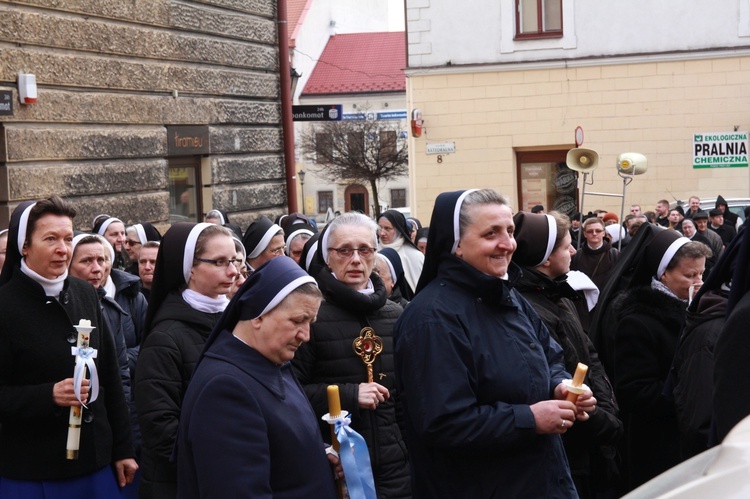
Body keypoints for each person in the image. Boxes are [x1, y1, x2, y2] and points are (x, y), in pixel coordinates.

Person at [393, 189, 595, 498]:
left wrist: (560, 385)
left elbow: (548, 355)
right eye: (492, 233)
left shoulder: (507, 294)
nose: (508, 244)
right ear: (456, 244)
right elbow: (443, 423)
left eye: (510, 231)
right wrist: (530, 419)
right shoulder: (431, 319)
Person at [0, 197, 136, 496]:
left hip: (94, 462)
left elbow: (111, 375)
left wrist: (124, 448)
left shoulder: (85, 293)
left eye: (68, 238)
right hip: (33, 471)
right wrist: (47, 395)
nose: (63, 249)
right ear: (24, 246)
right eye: (50, 239)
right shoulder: (4, 307)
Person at [177, 256, 340, 498]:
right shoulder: (226, 390)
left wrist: (318, 453)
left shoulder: (272, 361)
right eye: (297, 321)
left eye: (310, 322)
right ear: (257, 315)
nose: (306, 336)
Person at [292, 212, 411, 498]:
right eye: (344, 250)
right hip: (336, 465)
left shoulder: (397, 315)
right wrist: (348, 395)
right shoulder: (310, 315)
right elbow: (287, 393)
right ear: (328, 256)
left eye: (365, 250)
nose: (356, 260)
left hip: (397, 466)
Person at [513, 211, 623, 498]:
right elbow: (561, 374)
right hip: (574, 450)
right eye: (566, 246)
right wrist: (600, 420)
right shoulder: (531, 308)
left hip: (594, 434)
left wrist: (607, 413)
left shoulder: (559, 294)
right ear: (546, 258)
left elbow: (589, 356)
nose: (574, 250)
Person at [135, 223, 238, 498]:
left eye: (234, 261)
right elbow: (161, 430)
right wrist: (230, 455)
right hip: (183, 485)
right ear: (189, 267)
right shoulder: (165, 339)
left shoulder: (240, 321)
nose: (234, 271)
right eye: (219, 262)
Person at [612, 229, 710, 491]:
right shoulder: (638, 322)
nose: (699, 282)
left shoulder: (697, 309)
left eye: (701, 273)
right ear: (663, 274)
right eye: (690, 275)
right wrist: (689, 396)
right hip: (659, 446)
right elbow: (634, 391)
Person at [377, 209, 424, 299]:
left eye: (387, 228)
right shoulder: (373, 252)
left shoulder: (415, 256)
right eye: (379, 228)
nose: (382, 233)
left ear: (399, 230)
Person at [571, 217, 620, 292]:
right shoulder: (577, 256)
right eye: (590, 231)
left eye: (598, 231)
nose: (594, 234)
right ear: (585, 234)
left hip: (606, 298)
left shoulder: (614, 254)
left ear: (603, 233)